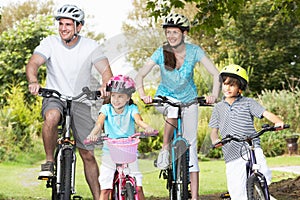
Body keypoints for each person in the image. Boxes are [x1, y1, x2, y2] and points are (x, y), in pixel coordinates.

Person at [26, 4, 113, 199]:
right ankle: (49, 161)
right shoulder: (49, 43)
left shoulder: (90, 46)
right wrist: (33, 81)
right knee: (51, 117)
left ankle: (99, 197)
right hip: (54, 97)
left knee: (88, 154)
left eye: (68, 24)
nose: (63, 28)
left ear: (79, 27)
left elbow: (106, 71)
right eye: (61, 24)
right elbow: (33, 63)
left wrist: (105, 85)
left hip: (81, 100)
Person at [135, 13, 221, 200]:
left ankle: (195, 197)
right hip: (165, 99)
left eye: (175, 32)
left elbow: (215, 74)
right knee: (173, 110)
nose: (171, 36)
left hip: (189, 100)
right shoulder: (161, 52)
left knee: (191, 147)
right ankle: (165, 149)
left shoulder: (195, 51)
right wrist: (143, 95)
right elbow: (140, 75)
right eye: (168, 32)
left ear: (184, 33)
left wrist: (213, 94)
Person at [209, 64, 285, 200]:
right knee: (237, 194)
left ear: (240, 88)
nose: (227, 88)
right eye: (225, 84)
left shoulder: (248, 103)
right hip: (231, 152)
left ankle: (262, 192)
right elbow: (214, 131)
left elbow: (266, 113)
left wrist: (278, 122)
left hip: (251, 147)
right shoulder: (218, 108)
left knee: (263, 173)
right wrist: (216, 140)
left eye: (232, 85)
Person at [86, 75, 154, 200]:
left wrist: (147, 127)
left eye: (120, 96)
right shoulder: (106, 109)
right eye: (113, 96)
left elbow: (138, 121)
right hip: (110, 152)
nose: (116, 100)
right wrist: (93, 134)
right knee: (106, 189)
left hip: (129, 151)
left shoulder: (132, 109)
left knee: (138, 187)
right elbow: (99, 124)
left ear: (128, 98)